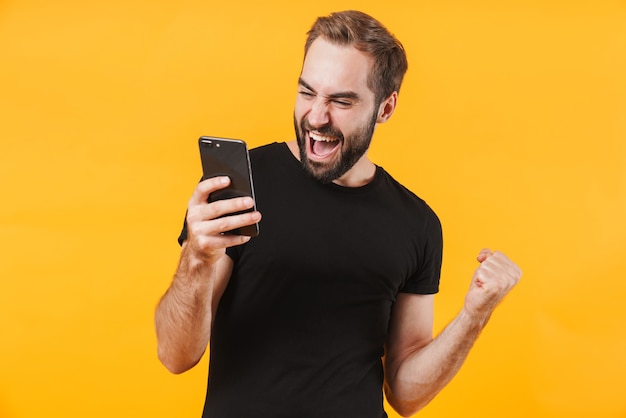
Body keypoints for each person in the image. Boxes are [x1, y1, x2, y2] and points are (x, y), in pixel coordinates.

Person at [155, 10, 521, 418]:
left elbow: (405, 395)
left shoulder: (417, 223)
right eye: (307, 93)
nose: (316, 117)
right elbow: (175, 355)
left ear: (385, 108)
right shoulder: (243, 186)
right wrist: (197, 259)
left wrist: (474, 314)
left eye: (341, 101)